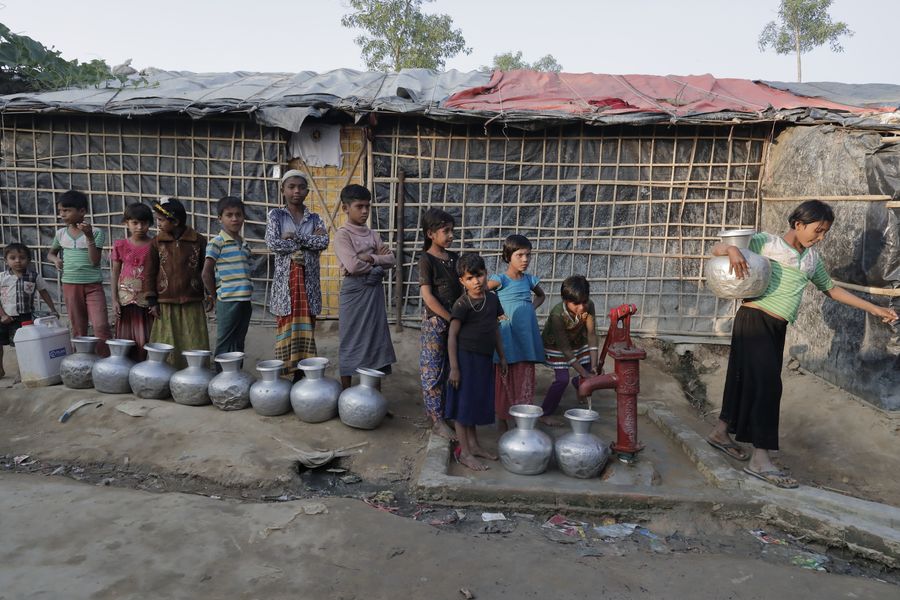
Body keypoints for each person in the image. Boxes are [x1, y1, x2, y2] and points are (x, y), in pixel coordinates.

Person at [706, 200, 899, 489]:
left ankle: (721, 433)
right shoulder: (765, 243)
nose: (820, 237)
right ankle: (760, 459)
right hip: (754, 319)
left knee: (743, 378)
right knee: (768, 386)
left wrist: (874, 309)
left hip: (777, 326)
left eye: (825, 233)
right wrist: (733, 249)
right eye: (817, 230)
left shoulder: (811, 260)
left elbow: (832, 290)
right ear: (798, 223)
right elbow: (717, 249)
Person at [447, 252, 508, 471]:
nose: (477, 282)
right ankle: (464, 452)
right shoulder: (462, 304)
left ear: (486, 274)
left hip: (484, 358)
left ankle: (474, 445)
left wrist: (501, 356)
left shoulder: (492, 299)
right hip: (464, 359)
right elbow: (452, 336)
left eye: (479, 276)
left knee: (474, 402)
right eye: (470, 278)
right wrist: (454, 368)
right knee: (463, 406)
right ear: (462, 281)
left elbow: (495, 329)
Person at [265, 170, 328, 380]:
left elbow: (323, 242)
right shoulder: (276, 215)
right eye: (291, 187)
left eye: (301, 187)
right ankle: (286, 376)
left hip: (308, 284)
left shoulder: (315, 217)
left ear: (307, 191)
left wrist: (294, 237)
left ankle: (303, 376)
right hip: (286, 287)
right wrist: (308, 240)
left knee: (307, 328)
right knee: (286, 327)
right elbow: (273, 243)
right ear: (283, 190)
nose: (296, 191)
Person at [333, 184, 396, 390]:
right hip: (354, 292)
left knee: (375, 336)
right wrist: (378, 261)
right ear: (345, 208)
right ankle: (346, 394)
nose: (365, 211)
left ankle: (373, 395)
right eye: (359, 206)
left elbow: (391, 259)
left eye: (367, 206)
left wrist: (369, 257)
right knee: (350, 337)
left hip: (374, 292)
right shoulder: (343, 235)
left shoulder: (372, 234)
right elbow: (351, 265)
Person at [487, 234, 545, 431]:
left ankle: (522, 423)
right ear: (507, 256)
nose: (525, 259)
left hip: (525, 335)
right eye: (519, 255)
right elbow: (479, 294)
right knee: (505, 375)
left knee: (524, 373)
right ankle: (503, 422)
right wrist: (494, 314)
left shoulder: (529, 280)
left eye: (528, 255)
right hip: (507, 335)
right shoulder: (499, 279)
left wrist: (527, 310)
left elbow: (541, 296)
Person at [146, 197, 209, 369]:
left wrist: (210, 293)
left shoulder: (198, 241)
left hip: (192, 299)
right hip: (165, 301)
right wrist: (152, 300)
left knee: (193, 338)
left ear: (175, 221)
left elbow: (206, 269)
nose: (157, 223)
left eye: (161, 220)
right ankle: (165, 373)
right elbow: (150, 272)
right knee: (167, 339)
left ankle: (195, 373)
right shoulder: (156, 243)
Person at [47, 190, 111, 357]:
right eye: (60, 211)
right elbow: (51, 253)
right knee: (78, 327)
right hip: (70, 284)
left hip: (92, 285)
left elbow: (95, 261)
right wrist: (55, 260)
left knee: (101, 326)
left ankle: (105, 363)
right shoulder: (61, 234)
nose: (62, 214)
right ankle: (81, 362)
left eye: (67, 210)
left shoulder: (96, 232)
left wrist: (88, 236)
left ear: (82, 211)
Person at [417, 208, 462, 441]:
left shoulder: (454, 258)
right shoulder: (426, 259)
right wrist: (449, 317)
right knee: (433, 370)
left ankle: (446, 414)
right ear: (430, 234)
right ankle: (436, 420)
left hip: (454, 322)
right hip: (436, 322)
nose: (451, 235)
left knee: (449, 369)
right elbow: (428, 297)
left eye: (452, 230)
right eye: (446, 231)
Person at [539, 275, 600, 425]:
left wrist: (593, 367)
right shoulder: (557, 315)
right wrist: (584, 373)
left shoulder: (589, 306)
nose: (581, 307)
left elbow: (592, 335)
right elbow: (565, 350)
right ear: (565, 300)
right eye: (576, 303)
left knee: (590, 368)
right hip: (556, 346)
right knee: (562, 380)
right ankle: (545, 413)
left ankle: (578, 383)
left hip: (577, 341)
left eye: (584, 301)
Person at [203, 196, 253, 361]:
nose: (234, 219)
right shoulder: (217, 242)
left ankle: (235, 376)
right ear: (220, 219)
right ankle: (221, 379)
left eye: (238, 214)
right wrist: (215, 297)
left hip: (245, 300)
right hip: (228, 300)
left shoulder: (244, 244)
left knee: (239, 341)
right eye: (229, 215)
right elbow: (206, 273)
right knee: (225, 341)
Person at [0, 243, 58, 378]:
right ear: (6, 261)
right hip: (3, 316)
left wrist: (53, 310)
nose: (18, 261)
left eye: (22, 258)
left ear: (29, 260)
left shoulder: (33, 276)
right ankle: (0, 369)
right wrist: (2, 315)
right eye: (12, 258)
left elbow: (43, 292)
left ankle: (22, 371)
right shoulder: (2, 277)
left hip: (24, 317)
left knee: (22, 345)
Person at [110, 203, 155, 362]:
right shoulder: (120, 245)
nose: (140, 227)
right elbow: (115, 273)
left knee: (145, 337)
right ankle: (124, 369)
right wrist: (114, 299)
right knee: (126, 338)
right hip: (125, 300)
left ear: (150, 223)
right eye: (135, 223)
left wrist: (155, 300)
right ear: (126, 223)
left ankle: (142, 369)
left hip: (146, 299)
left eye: (144, 223)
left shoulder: (155, 245)